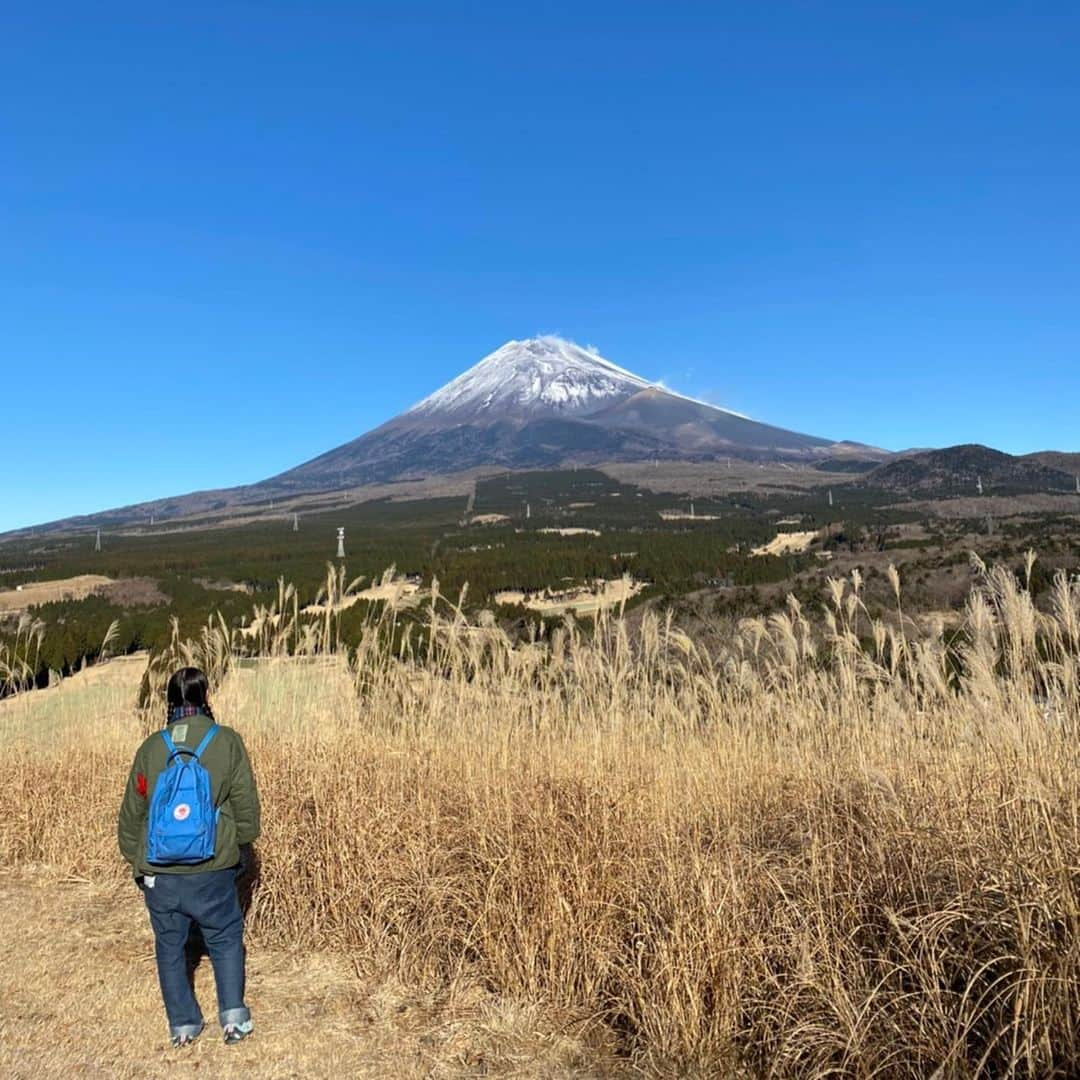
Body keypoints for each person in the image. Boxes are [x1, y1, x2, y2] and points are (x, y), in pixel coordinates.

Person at [118, 666, 261, 1047]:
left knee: (169, 945)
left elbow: (133, 812)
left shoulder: (151, 747)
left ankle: (183, 1025)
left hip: (159, 874)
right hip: (212, 866)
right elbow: (246, 808)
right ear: (205, 696)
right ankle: (233, 1018)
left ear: (170, 701)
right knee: (226, 936)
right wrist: (241, 846)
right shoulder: (227, 741)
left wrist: (138, 863)